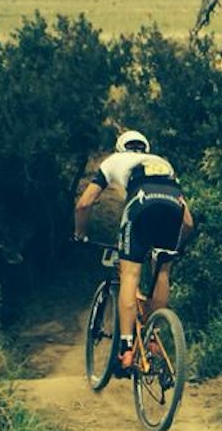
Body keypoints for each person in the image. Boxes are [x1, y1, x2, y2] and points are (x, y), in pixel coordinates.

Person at [73, 129, 194, 376]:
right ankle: (153, 336)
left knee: (130, 275)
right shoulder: (163, 164)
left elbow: (84, 204)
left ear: (120, 148)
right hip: (172, 208)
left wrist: (80, 235)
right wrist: (175, 248)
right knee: (162, 272)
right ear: (146, 148)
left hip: (141, 205)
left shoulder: (112, 161)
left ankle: (126, 349)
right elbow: (189, 223)